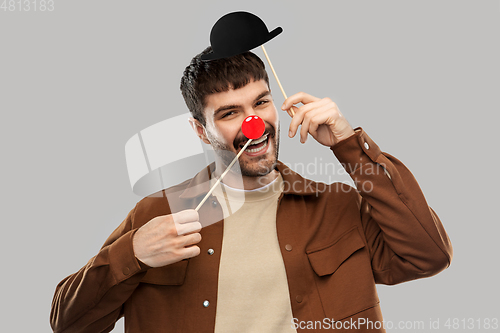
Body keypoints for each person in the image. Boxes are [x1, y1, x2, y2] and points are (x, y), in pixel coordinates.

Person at [50, 47, 453, 333]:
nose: (253, 125)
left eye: (260, 103)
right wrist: (132, 254)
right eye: (229, 113)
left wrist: (350, 147)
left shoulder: (337, 206)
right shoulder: (158, 214)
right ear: (200, 131)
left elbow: (428, 255)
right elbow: (68, 323)